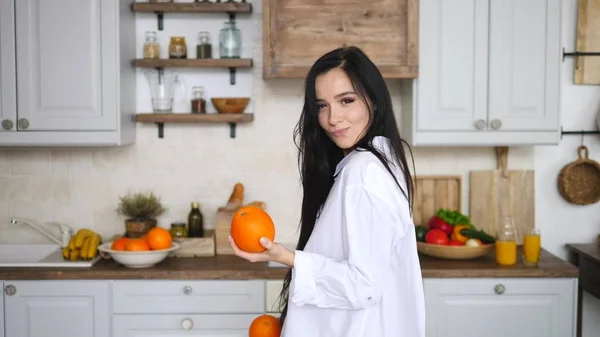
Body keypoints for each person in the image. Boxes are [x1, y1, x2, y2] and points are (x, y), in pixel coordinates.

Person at [229, 46, 425, 337]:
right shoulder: (377, 161)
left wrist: (286, 256)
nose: (333, 118)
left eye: (346, 100)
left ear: (373, 100)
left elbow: (364, 285)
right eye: (322, 105)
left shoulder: (364, 172)